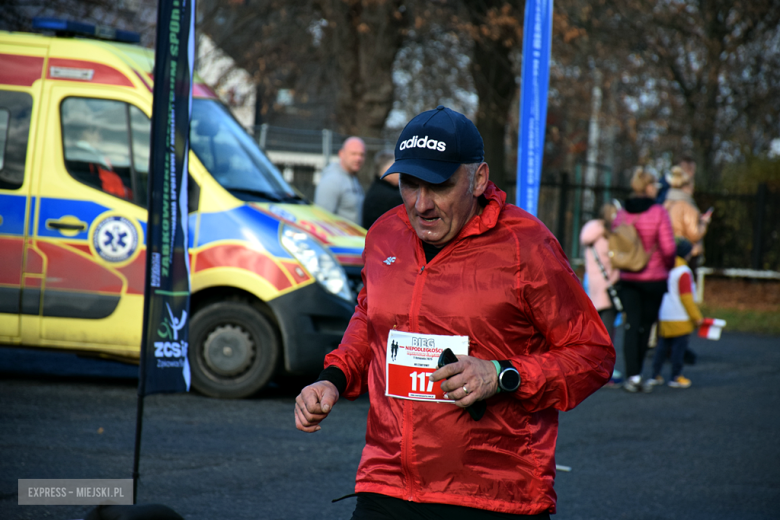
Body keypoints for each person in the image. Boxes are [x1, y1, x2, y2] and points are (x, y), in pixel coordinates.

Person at [294, 106, 615, 519]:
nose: (422, 204)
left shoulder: (527, 245)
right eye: (409, 184)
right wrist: (333, 379)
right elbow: (370, 317)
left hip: (492, 495)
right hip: (387, 483)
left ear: (478, 179)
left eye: (439, 186)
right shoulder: (384, 234)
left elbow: (593, 353)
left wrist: (501, 374)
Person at [613, 167, 676, 393]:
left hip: (628, 276)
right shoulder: (659, 212)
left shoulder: (623, 212)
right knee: (646, 326)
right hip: (653, 278)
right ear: (648, 187)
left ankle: (632, 376)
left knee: (631, 325)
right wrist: (666, 267)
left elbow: (616, 240)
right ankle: (640, 373)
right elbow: (669, 249)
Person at [650, 238, 703, 389]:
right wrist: (696, 317)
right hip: (680, 316)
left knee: (661, 347)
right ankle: (675, 376)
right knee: (678, 349)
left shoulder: (666, 268)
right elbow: (686, 298)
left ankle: (655, 374)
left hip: (665, 314)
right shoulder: (684, 272)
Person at [664, 162, 711, 270]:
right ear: (687, 187)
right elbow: (694, 233)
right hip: (687, 252)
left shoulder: (666, 204)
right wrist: (704, 223)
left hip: (670, 250)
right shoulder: (687, 206)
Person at [314, 136, 366, 224]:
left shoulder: (352, 178)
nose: (358, 158)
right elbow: (321, 220)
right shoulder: (332, 180)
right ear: (341, 154)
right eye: (353, 154)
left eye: (362, 155)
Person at [361, 149, 403, 229]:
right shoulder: (390, 197)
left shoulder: (376, 188)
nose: (400, 173)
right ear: (388, 170)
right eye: (398, 168)